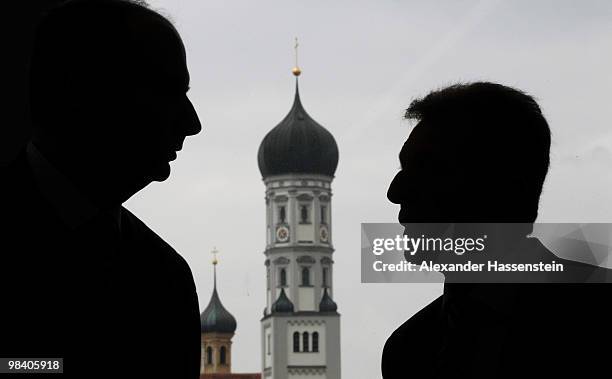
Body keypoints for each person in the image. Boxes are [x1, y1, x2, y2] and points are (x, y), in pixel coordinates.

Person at [0, 1, 202, 377]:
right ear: (90, 92)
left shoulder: (167, 279)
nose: (193, 123)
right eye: (168, 91)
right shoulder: (162, 278)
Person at [382, 82, 611, 378]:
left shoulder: (411, 347)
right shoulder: (408, 349)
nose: (395, 191)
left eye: (427, 169)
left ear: (500, 185)